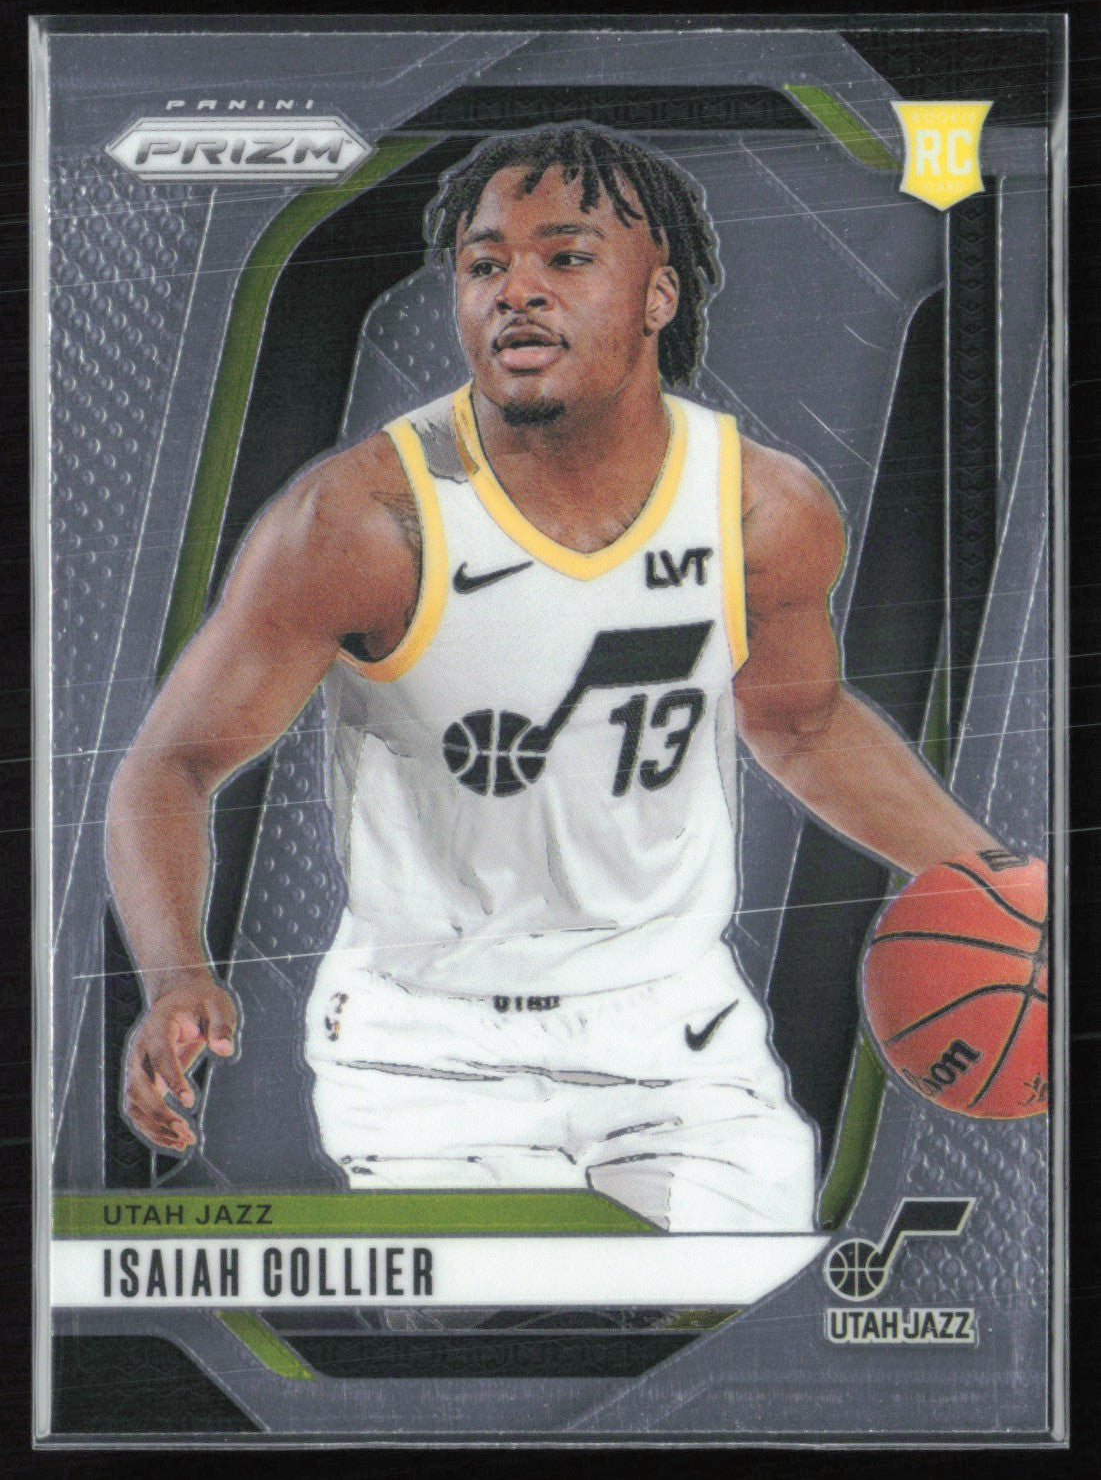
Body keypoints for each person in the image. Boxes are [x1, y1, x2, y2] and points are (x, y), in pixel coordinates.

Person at [107, 124, 999, 1233]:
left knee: (751, 1314)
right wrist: (174, 971)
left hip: (673, 1032)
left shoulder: (759, 507)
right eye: (484, 264)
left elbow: (802, 722)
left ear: (658, 294)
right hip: (428, 1047)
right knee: (503, 1324)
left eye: (566, 258)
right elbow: (171, 764)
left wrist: (993, 878)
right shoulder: (360, 520)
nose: (514, 290)